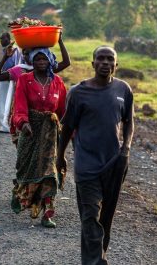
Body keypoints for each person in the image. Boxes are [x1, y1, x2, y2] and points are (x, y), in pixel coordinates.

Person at [56, 46, 134, 264]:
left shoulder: (124, 90)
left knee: (105, 219)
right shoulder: (78, 93)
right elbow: (67, 127)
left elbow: (129, 122)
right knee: (90, 217)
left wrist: (125, 149)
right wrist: (59, 156)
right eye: (101, 58)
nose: (105, 63)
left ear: (116, 65)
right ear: (93, 63)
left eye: (110, 59)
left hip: (115, 163)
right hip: (86, 165)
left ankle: (97, 257)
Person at [10, 47, 67, 228]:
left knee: (50, 172)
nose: (41, 63)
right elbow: (19, 106)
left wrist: (66, 133)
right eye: (37, 60)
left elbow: (62, 111)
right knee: (25, 168)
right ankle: (23, 195)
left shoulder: (57, 82)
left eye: (44, 59)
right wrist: (23, 123)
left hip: (50, 132)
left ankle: (47, 213)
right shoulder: (24, 80)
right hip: (30, 130)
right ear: (32, 62)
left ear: (50, 61)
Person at [0, 32, 71, 144]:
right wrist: (5, 57)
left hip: (46, 122)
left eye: (29, 53)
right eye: (24, 53)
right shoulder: (19, 70)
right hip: (22, 115)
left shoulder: (48, 71)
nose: (26, 56)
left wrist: (60, 41)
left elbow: (66, 62)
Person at [0, 32, 22, 133]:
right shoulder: (14, 48)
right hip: (11, 77)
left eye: (3, 39)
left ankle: (6, 125)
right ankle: (9, 124)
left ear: (9, 39)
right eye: (0, 39)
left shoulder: (11, 49)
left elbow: (10, 65)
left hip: (8, 78)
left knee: (4, 101)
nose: (1, 41)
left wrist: (6, 75)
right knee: (9, 101)